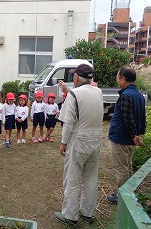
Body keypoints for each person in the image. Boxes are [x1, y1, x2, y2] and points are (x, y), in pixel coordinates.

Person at [54, 64, 103, 227]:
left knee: (72, 179)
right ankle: (87, 212)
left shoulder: (74, 94)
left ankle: (70, 215)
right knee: (91, 178)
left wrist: (63, 142)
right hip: (96, 139)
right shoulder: (98, 92)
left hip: (79, 139)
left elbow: (68, 123)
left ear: (76, 77)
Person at [106, 67, 146, 203]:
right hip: (130, 138)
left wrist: (133, 135)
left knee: (121, 169)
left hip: (122, 138)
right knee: (127, 167)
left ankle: (123, 198)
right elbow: (142, 116)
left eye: (118, 77)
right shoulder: (139, 95)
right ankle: (128, 193)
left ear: (123, 79)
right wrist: (139, 134)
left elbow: (128, 118)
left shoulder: (125, 96)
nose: (117, 80)